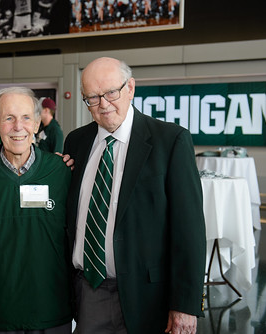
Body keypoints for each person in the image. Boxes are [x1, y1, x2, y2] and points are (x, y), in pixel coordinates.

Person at [63, 57, 206, 334]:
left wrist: (185, 305)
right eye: (92, 98)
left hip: (148, 297)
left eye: (111, 93)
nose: (103, 104)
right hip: (88, 290)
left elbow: (189, 231)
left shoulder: (170, 141)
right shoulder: (76, 141)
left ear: (130, 88)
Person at [0, 86, 73, 333]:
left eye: (26, 118)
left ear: (37, 124)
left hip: (51, 313)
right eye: (8, 118)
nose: (18, 127)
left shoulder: (62, 172)